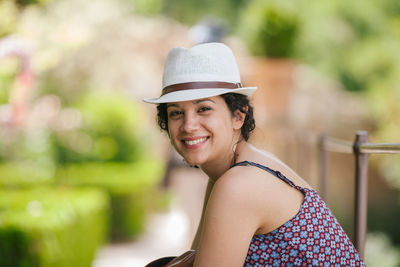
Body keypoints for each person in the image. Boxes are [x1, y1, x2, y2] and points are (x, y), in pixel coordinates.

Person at [144, 42, 365, 266]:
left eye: (204, 109)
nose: (189, 125)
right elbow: (199, 255)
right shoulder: (234, 171)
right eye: (176, 113)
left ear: (238, 116)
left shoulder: (239, 184)